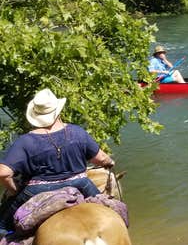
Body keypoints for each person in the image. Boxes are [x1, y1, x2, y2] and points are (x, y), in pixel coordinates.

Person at [0, 89, 115, 235]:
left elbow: (3, 173)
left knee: (2, 226)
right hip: (81, 185)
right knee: (112, 212)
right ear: (58, 112)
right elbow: (102, 159)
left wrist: (14, 190)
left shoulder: (25, 141)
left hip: (37, 191)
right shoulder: (78, 132)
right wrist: (109, 162)